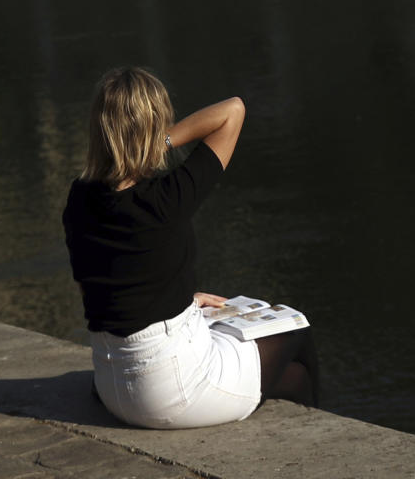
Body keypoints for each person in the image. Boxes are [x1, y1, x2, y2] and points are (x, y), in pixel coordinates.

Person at [62, 66, 318, 429]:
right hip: (171, 390)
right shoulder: (166, 198)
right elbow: (234, 110)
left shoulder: (80, 198)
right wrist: (159, 142)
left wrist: (182, 296)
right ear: (154, 125)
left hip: (111, 385)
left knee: (288, 376)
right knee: (294, 333)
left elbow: (109, 281)